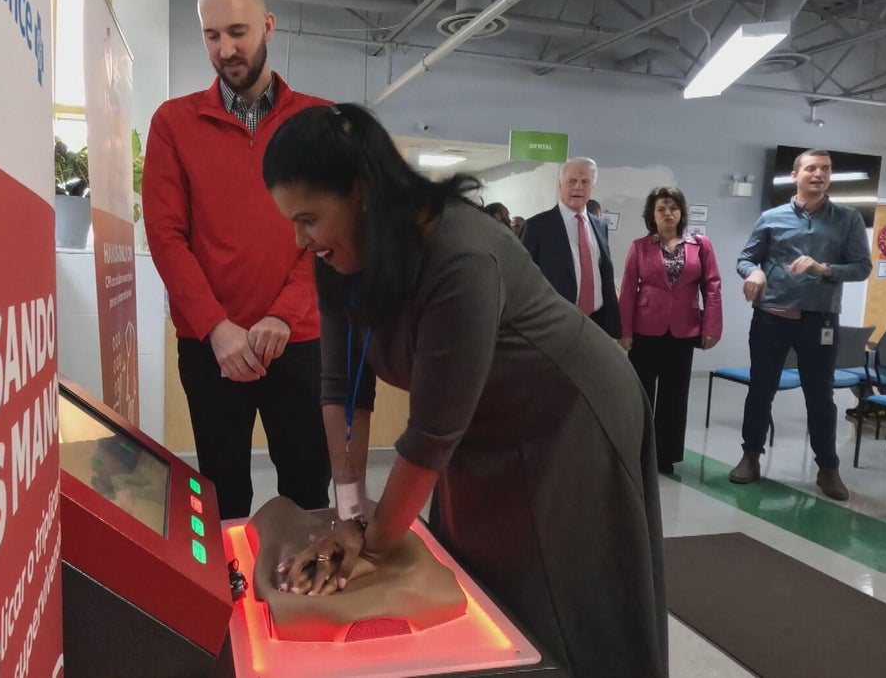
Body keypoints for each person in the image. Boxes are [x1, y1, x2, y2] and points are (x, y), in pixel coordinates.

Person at [262, 104, 667, 677]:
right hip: (482, 423)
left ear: (361, 194)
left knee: (570, 603)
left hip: (572, 415)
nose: (300, 239)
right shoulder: (339, 256)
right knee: (480, 580)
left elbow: (428, 437)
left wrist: (369, 546)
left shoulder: (459, 254)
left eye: (308, 219)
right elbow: (342, 391)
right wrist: (349, 515)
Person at [142, 0, 331, 519]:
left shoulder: (318, 122)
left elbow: (331, 232)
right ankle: (228, 600)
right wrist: (217, 329)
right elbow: (166, 235)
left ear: (268, 27)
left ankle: (303, 597)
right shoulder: (173, 124)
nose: (226, 49)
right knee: (221, 494)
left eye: (238, 32)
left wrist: (285, 316)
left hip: (298, 343)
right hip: (210, 348)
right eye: (212, 36)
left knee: (307, 489)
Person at [730, 149, 872, 500]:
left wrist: (824, 269)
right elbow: (746, 258)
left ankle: (827, 467)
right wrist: (756, 271)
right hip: (771, 318)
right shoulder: (772, 217)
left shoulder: (848, 219)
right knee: (761, 389)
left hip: (819, 321)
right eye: (811, 168)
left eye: (825, 169)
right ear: (795, 175)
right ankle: (751, 456)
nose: (819, 174)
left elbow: (862, 267)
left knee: (820, 396)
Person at [619, 186, 723, 475]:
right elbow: (627, 291)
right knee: (640, 394)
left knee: (674, 397)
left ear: (681, 212)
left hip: (684, 330)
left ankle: (665, 456)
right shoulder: (641, 246)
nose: (668, 214)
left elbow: (712, 286)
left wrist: (711, 327)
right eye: (661, 209)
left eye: (673, 208)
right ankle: (635, 453)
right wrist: (624, 331)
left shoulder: (700, 245)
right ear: (652, 215)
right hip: (645, 329)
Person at [520, 157, 622, 338]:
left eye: (585, 182)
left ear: (593, 187)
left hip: (596, 322)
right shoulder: (537, 227)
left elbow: (604, 274)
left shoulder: (600, 226)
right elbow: (522, 280)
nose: (578, 187)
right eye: (572, 181)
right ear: (560, 186)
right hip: (553, 323)